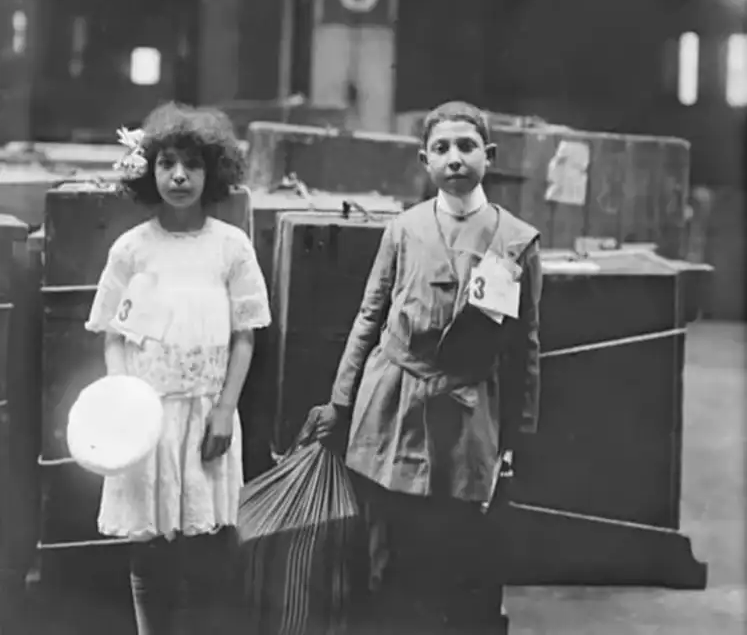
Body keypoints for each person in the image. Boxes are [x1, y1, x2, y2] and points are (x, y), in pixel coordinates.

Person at [306, 100, 543, 633]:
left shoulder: (516, 241)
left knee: (457, 548)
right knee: (387, 542)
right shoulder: (404, 230)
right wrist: (342, 401)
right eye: (441, 148)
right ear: (424, 160)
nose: (455, 158)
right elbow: (370, 317)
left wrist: (516, 433)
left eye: (466, 146)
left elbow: (524, 342)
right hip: (394, 401)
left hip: (467, 408)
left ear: (490, 155)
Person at [85, 103, 271, 635]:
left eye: (192, 164)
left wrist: (224, 411)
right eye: (167, 163)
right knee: (150, 549)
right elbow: (114, 338)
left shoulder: (230, 247)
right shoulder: (133, 250)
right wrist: (128, 409)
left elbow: (245, 334)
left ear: (213, 172)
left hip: (208, 415)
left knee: (206, 545)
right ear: (150, 171)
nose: (179, 176)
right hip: (149, 420)